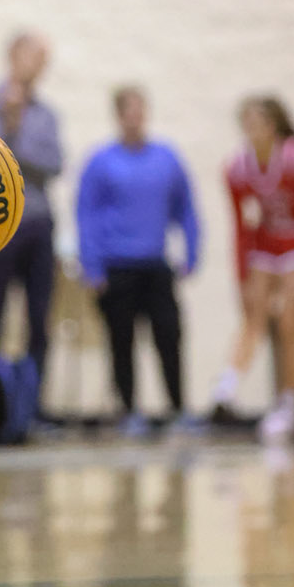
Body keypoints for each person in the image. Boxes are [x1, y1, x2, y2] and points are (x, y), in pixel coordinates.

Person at [75, 87, 200, 433]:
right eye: (128, 111)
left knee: (169, 336)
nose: (135, 117)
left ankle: (178, 408)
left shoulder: (166, 158)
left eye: (139, 110)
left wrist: (192, 251)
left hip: (155, 264)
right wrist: (92, 265)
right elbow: (87, 215)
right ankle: (129, 409)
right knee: (121, 341)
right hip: (117, 267)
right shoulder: (101, 162)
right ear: (118, 115)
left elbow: (186, 208)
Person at [211, 97, 294, 443]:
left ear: (273, 125)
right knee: (253, 317)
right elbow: (240, 226)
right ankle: (226, 390)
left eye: (258, 122)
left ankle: (288, 405)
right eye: (245, 122)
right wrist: (241, 273)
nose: (251, 129)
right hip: (265, 244)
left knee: (290, 321)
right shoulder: (237, 168)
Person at [0, 33, 64, 381]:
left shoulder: (46, 114)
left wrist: (17, 131)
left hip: (38, 223)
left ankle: (32, 404)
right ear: (13, 55)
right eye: (35, 55)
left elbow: (54, 164)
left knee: (39, 317)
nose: (41, 65)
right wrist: (6, 126)